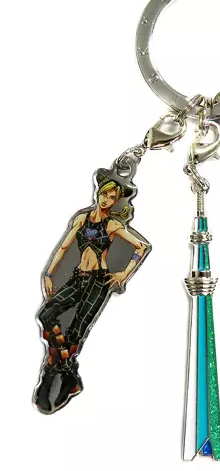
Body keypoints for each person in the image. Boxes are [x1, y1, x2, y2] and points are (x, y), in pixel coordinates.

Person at [34, 170, 149, 413]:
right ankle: (69, 375)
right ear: (98, 193)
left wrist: (123, 274)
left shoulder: (113, 224)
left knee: (75, 334)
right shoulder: (81, 219)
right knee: (46, 314)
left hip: (98, 283)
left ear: (116, 201)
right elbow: (63, 247)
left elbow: (141, 247)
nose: (106, 199)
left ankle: (50, 376)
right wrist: (48, 274)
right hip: (77, 278)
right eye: (105, 194)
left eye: (112, 197)